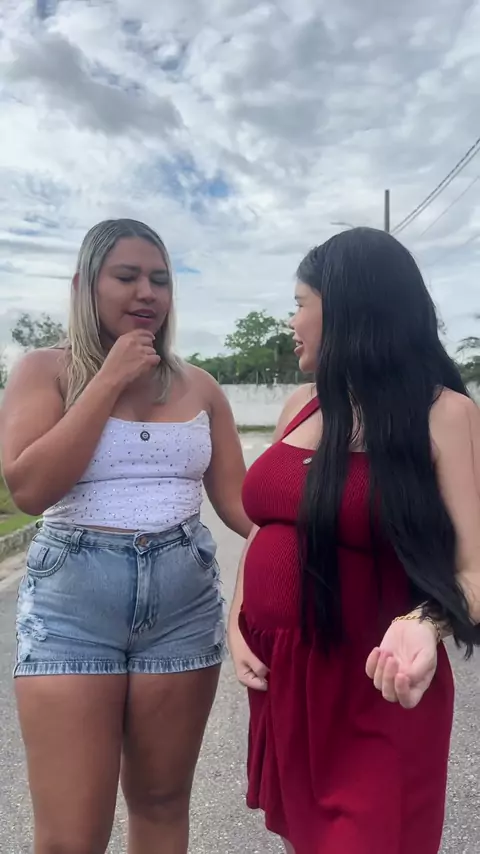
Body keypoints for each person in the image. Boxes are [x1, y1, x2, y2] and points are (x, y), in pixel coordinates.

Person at [0, 218, 251, 854]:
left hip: (183, 608)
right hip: (72, 610)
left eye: (160, 279)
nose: (147, 292)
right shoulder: (44, 370)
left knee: (162, 805)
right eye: (127, 276)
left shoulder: (200, 386)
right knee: (71, 836)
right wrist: (108, 378)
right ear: (84, 286)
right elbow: (30, 488)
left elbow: (243, 508)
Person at [228, 226, 480, 854]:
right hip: (288, 680)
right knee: (303, 838)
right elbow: (267, 525)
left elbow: (475, 568)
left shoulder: (445, 414)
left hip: (376, 686)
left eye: (300, 303)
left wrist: (426, 623)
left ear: (345, 309)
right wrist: (237, 616)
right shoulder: (301, 405)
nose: (291, 322)